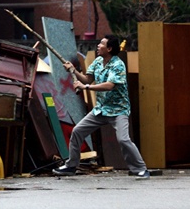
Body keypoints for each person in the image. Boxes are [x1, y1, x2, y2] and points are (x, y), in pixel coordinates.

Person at [53, 34, 150, 180]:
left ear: (109, 48)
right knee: (78, 131)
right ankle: (71, 166)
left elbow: (109, 86)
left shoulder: (118, 65)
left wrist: (85, 87)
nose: (98, 46)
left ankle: (140, 169)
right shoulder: (98, 61)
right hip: (101, 109)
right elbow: (87, 79)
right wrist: (73, 70)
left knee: (123, 140)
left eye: (101, 44)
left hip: (119, 110)